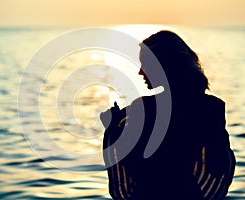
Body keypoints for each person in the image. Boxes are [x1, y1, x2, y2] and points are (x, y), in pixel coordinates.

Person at [100, 30, 236, 200]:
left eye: (145, 65)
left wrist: (113, 129)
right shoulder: (211, 108)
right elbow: (219, 168)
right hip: (190, 194)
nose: (140, 72)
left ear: (164, 65)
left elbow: (134, 168)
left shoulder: (144, 109)